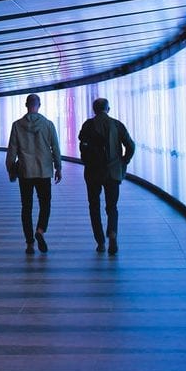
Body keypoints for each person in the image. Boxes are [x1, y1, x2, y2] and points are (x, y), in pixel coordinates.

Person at [78, 98, 135, 254]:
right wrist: (124, 161)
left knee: (94, 206)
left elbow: (82, 144)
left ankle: (100, 242)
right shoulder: (116, 125)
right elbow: (131, 146)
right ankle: (112, 233)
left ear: (94, 110)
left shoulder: (88, 125)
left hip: (92, 172)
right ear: (108, 109)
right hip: (112, 172)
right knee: (112, 207)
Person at [6, 94, 62, 254]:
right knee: (45, 204)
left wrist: (11, 170)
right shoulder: (48, 125)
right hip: (44, 171)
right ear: (39, 105)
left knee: (26, 207)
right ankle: (40, 231)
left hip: (25, 172)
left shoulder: (17, 125)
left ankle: (30, 243)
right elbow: (55, 148)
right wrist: (58, 167)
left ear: (26, 105)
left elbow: (12, 151)